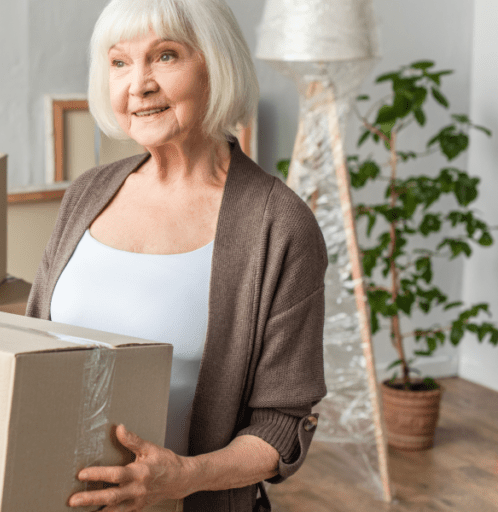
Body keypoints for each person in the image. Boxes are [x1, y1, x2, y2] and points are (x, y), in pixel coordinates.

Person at [25, 0, 328, 510]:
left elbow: (282, 422)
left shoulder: (279, 224)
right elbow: (30, 351)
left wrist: (183, 476)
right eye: (120, 62)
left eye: (165, 56)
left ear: (216, 64)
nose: (138, 84)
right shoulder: (86, 193)